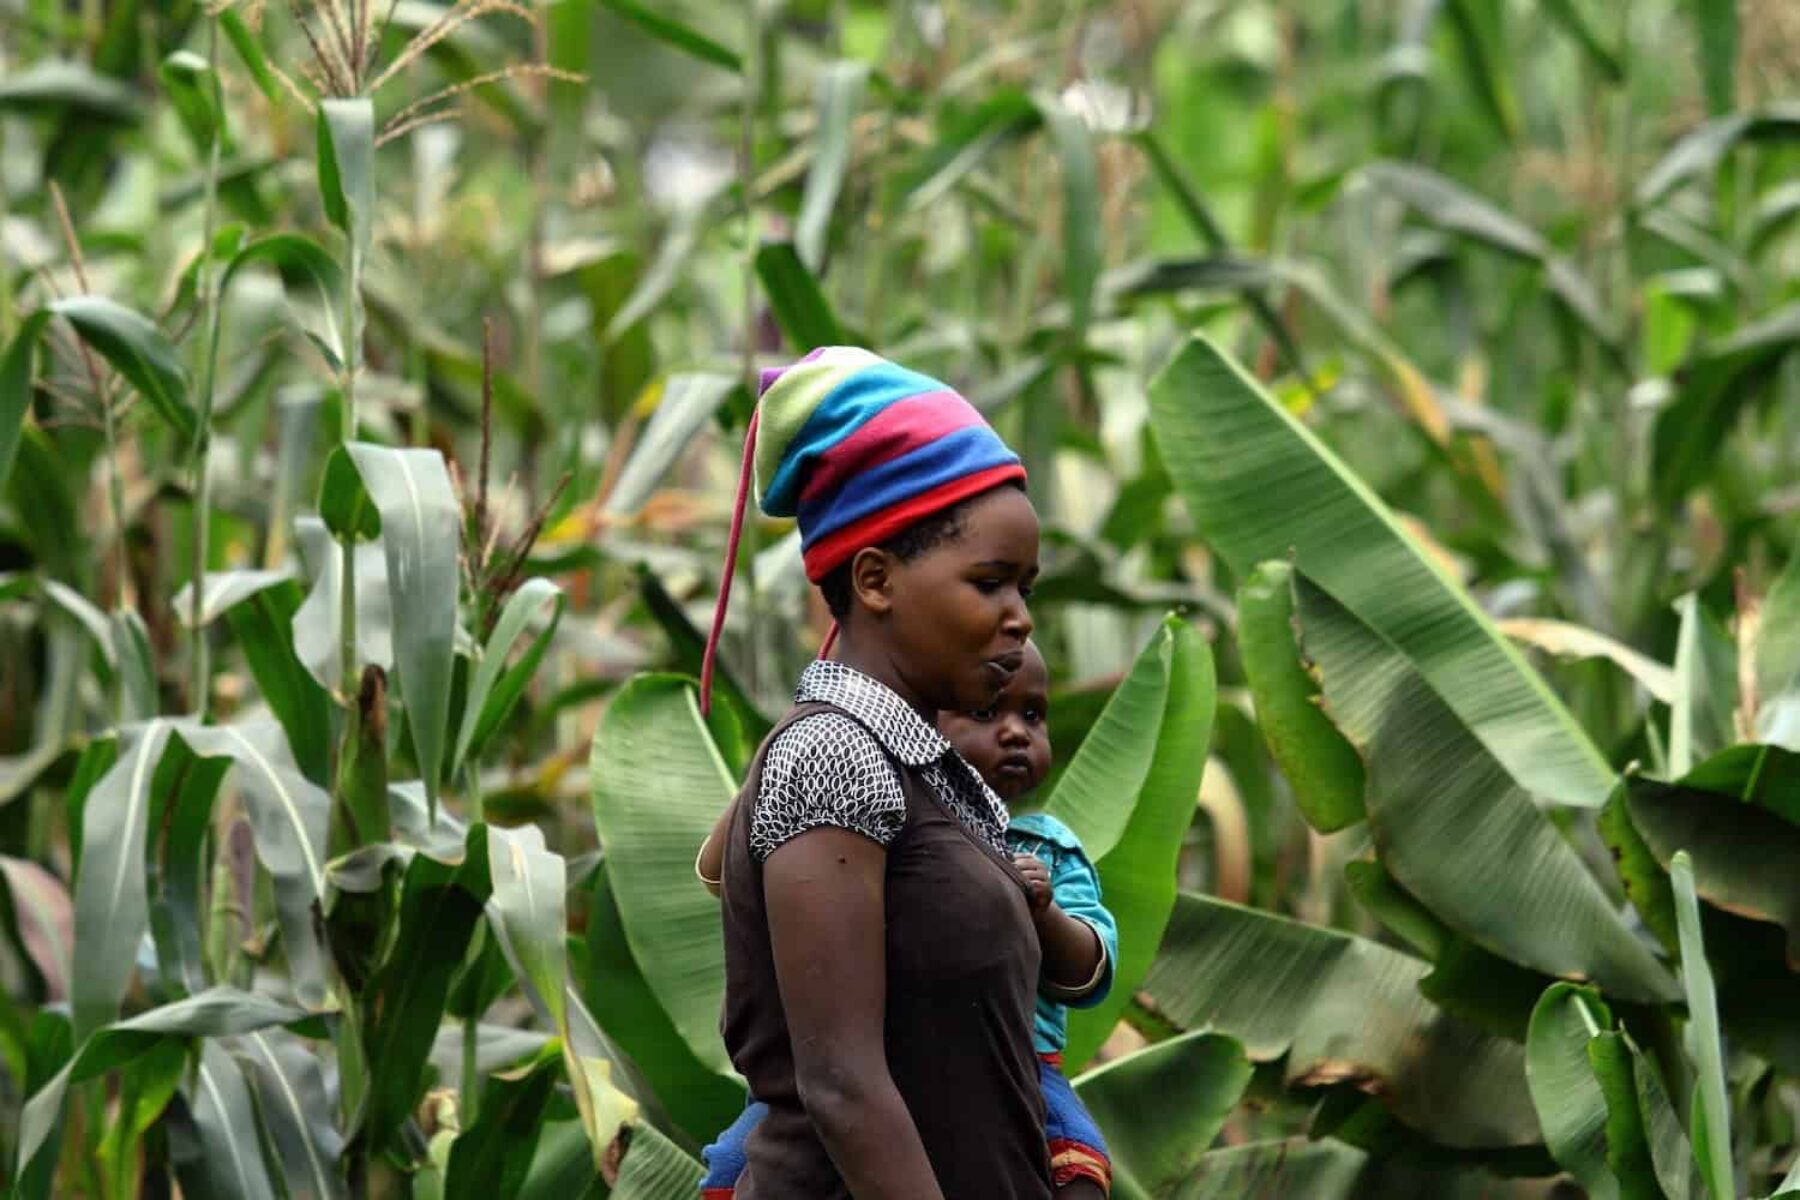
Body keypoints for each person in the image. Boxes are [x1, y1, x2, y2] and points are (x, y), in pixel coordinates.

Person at [697, 346, 1054, 1198]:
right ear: (876, 579)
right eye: (991, 582)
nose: (1019, 621)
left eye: (1026, 589)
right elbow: (842, 1088)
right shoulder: (835, 756)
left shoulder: (925, 768)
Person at [698, 641, 1119, 1198]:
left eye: (1034, 715)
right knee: (732, 1161)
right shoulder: (873, 806)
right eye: (987, 712)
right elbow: (716, 871)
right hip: (873, 1051)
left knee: (1079, 1162)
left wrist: (1044, 914)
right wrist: (784, 747)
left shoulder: (1049, 849)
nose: (1017, 731)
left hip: (1019, 1064)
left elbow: (1090, 974)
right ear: (923, 727)